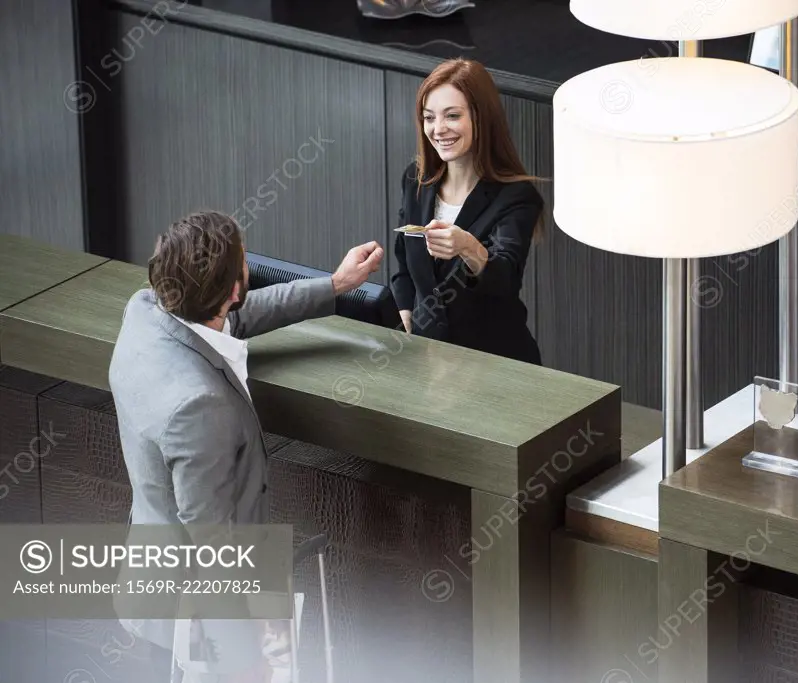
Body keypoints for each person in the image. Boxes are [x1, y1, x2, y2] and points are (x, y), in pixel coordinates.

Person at [108, 210, 383, 682]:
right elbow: (211, 542)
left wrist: (335, 284)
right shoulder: (199, 406)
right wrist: (243, 654)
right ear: (235, 288)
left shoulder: (147, 310)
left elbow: (237, 318)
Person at [391, 58, 545, 365]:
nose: (438, 129)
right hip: (429, 359)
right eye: (429, 117)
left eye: (452, 116)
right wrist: (405, 307)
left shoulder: (517, 197)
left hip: (494, 362)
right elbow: (403, 261)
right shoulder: (415, 179)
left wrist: (469, 247)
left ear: (481, 118)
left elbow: (505, 280)